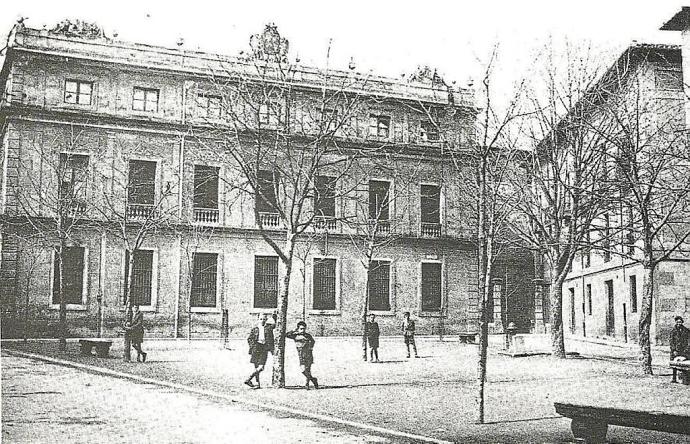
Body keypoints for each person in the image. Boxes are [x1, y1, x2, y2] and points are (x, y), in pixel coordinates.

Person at [244, 313, 275, 389]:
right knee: (256, 367)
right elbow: (249, 339)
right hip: (256, 348)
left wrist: (274, 316)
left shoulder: (268, 328)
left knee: (261, 367)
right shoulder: (255, 329)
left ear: (266, 320)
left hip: (264, 348)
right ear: (258, 320)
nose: (262, 321)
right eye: (261, 319)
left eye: (264, 319)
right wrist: (252, 346)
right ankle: (257, 384)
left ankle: (248, 378)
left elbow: (274, 325)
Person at [286, 321, 319, 389]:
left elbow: (313, 341)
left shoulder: (307, 335)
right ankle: (313, 379)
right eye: (301, 328)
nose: (303, 330)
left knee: (308, 369)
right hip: (301, 354)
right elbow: (286, 335)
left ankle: (307, 384)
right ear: (298, 328)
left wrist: (310, 347)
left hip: (308, 353)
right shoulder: (295, 335)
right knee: (303, 370)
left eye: (304, 328)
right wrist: (294, 330)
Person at [670, 315, 690, 383]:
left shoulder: (686, 331)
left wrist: (687, 349)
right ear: (675, 322)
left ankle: (686, 378)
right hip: (675, 350)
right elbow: (671, 341)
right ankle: (674, 378)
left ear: (682, 322)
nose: (679, 323)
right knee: (674, 364)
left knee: (685, 363)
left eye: (680, 322)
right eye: (677, 322)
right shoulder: (673, 331)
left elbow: (688, 340)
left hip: (684, 349)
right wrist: (673, 350)